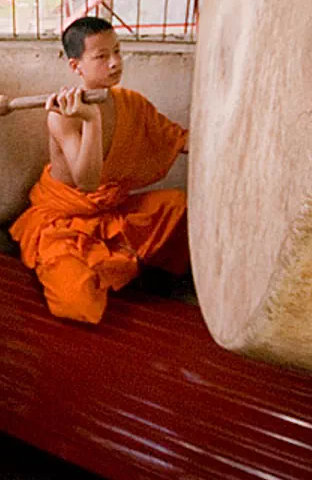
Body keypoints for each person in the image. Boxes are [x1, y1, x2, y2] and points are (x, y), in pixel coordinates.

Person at [10, 16, 189, 324]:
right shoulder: (62, 115)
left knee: (177, 206)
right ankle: (108, 267)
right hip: (64, 222)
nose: (115, 63)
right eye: (102, 57)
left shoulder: (131, 103)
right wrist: (91, 120)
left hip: (111, 210)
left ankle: (120, 266)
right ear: (76, 66)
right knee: (77, 300)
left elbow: (179, 139)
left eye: (117, 51)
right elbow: (88, 181)